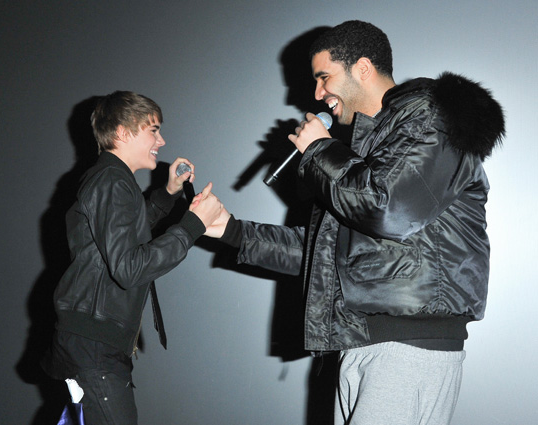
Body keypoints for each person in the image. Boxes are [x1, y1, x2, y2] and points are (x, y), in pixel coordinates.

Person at [205, 20, 505, 425]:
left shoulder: (432, 118)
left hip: (406, 348)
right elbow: (324, 253)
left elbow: (389, 208)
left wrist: (319, 150)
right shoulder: (362, 155)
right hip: (367, 343)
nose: (316, 94)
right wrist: (230, 229)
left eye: (324, 77)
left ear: (362, 68)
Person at [42, 90, 223, 425]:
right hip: (94, 347)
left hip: (92, 344)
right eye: (153, 130)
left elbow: (122, 235)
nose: (162, 140)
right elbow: (128, 268)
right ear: (123, 132)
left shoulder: (111, 179)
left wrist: (167, 194)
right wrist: (193, 225)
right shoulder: (111, 181)